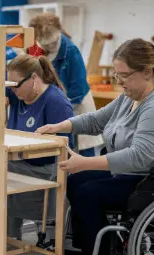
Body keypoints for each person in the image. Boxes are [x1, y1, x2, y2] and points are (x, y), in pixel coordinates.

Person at [36, 39, 154, 255]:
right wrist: (59, 126)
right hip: (138, 174)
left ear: (148, 72)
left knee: (88, 192)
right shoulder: (129, 97)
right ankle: (95, 248)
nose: (120, 81)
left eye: (124, 75)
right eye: (117, 75)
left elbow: (139, 157)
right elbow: (96, 120)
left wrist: (84, 162)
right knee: (75, 181)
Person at [5, 54, 75, 244]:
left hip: (49, 168)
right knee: (2, 169)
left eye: (15, 84)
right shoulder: (18, 93)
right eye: (8, 84)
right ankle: (10, 237)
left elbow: (64, 149)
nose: (11, 89)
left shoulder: (56, 101)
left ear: (34, 79)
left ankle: (48, 236)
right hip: (22, 162)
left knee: (6, 171)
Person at [29, 13, 104, 157]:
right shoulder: (41, 48)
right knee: (61, 152)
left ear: (58, 33)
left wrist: (62, 109)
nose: (49, 47)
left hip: (77, 105)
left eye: (51, 43)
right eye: (44, 44)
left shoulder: (71, 52)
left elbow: (78, 88)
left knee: (83, 150)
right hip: (57, 105)